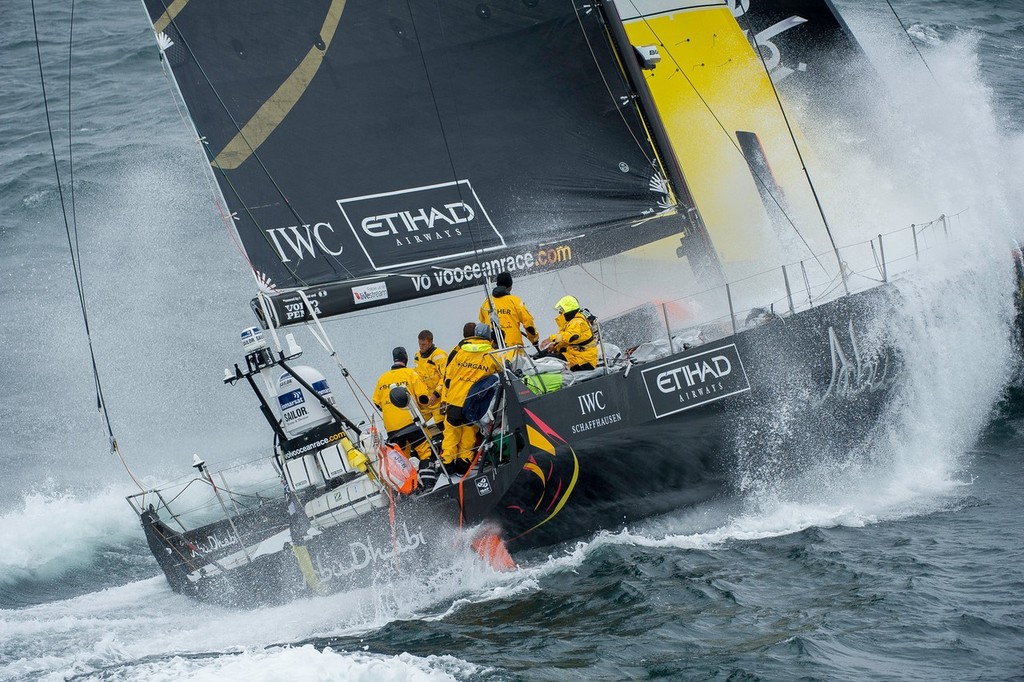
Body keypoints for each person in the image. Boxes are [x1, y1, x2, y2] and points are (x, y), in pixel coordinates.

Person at [440, 323, 501, 472]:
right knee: (468, 433)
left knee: (451, 432)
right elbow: (504, 370)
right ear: (488, 337)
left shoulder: (459, 352)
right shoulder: (492, 354)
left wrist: (444, 399)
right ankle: (463, 464)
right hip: (472, 402)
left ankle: (447, 464)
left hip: (454, 400)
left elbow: (448, 376)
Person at [372, 346, 433, 461]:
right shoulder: (411, 373)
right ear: (406, 358)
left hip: (392, 428)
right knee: (426, 452)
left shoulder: (382, 379)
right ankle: (428, 473)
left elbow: (377, 402)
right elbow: (423, 398)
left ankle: (409, 477)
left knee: (402, 459)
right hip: (411, 423)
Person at [479, 271, 539, 352]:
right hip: (514, 350)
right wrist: (534, 340)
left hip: (494, 352)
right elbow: (528, 324)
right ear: (510, 286)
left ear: (497, 284)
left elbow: (482, 328)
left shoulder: (486, 303)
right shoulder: (515, 301)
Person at [540, 295, 598, 371]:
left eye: (561, 310)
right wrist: (555, 346)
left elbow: (569, 337)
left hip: (584, 361)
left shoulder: (577, 322)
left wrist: (550, 339)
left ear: (568, 310)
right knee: (544, 356)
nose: (559, 313)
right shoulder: (571, 322)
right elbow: (564, 340)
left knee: (550, 360)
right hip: (575, 355)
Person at [413, 329, 447, 425]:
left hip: (439, 399)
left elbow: (446, 377)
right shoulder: (417, 356)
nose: (421, 347)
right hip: (425, 401)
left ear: (430, 342)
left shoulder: (439, 356)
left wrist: (436, 393)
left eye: (423, 345)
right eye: (419, 344)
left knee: (442, 426)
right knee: (415, 424)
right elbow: (416, 377)